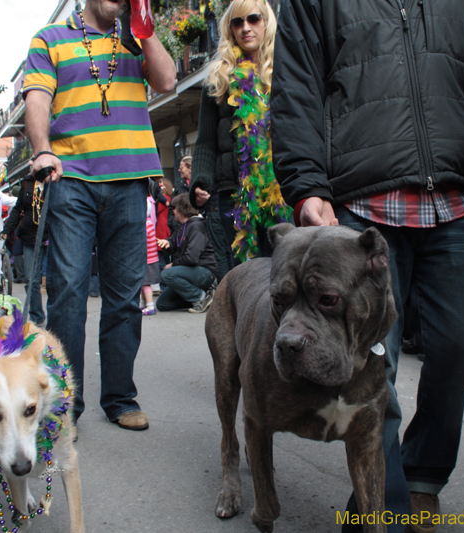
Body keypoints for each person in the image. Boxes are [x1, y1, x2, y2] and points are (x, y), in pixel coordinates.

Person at [270, 1, 464, 531]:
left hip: (456, 201)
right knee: (374, 363)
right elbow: (296, 88)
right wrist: (306, 185)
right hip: (358, 206)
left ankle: (421, 475)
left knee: (463, 346)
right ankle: (387, 499)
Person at [22, 0, 175, 431]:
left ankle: (120, 398)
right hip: (71, 179)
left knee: (125, 295)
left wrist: (144, 25)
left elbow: (166, 80)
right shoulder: (49, 39)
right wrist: (42, 150)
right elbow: (38, 98)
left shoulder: (136, 37)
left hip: (130, 180)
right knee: (69, 292)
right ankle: (63, 404)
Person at [190, 0, 292, 263]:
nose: (246, 28)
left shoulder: (287, 71)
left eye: (253, 19)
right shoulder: (219, 78)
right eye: (238, 22)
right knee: (245, 274)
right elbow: (205, 142)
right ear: (230, 29)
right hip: (235, 194)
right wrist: (200, 181)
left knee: (285, 269)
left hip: (281, 190)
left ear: (266, 22)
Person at [156, 194, 217, 313]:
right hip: (190, 271)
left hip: (205, 271)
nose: (172, 211)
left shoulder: (197, 226)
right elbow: (173, 244)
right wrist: (167, 244)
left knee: (167, 274)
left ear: (181, 209)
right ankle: (206, 298)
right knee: (162, 304)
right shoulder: (182, 227)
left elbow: (192, 258)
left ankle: (201, 298)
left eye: (174, 208)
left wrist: (173, 265)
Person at [2, 172, 48, 326]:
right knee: (31, 279)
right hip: (30, 236)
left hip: (52, 236)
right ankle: (37, 316)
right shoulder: (28, 182)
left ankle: (58, 315)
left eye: (34, 161)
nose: (31, 163)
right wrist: (7, 230)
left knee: (56, 279)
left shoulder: (55, 180)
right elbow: (17, 209)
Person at [140, 197, 160, 315]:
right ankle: (143, 304)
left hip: (147, 260)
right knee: (143, 283)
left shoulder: (145, 225)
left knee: (145, 284)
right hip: (151, 259)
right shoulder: (150, 223)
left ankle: (150, 306)